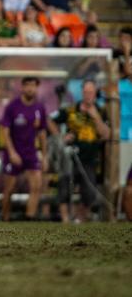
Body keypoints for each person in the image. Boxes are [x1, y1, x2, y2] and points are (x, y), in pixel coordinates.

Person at [49, 80, 110, 223]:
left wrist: (96, 117)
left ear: (95, 94)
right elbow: (50, 120)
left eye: (91, 92)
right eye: (86, 92)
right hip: (70, 157)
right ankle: (65, 220)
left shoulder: (101, 111)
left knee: (89, 192)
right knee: (64, 186)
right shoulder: (71, 110)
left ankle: (80, 219)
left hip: (89, 159)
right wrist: (60, 136)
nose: (88, 95)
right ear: (82, 93)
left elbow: (106, 134)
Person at [0, 77, 48, 221]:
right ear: (22, 87)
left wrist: (44, 156)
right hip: (13, 152)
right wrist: (12, 152)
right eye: (27, 85)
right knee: (9, 189)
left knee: (36, 185)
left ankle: (29, 217)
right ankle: (5, 218)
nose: (30, 89)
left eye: (33, 86)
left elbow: (42, 133)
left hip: (30, 153)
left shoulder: (40, 108)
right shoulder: (13, 106)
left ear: (36, 88)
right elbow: (5, 130)